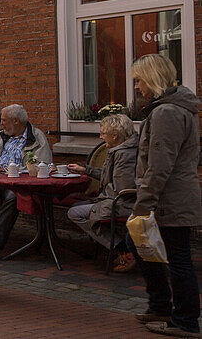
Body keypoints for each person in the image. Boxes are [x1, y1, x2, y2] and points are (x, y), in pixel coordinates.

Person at [127, 54, 201, 338]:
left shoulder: (167, 112)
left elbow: (159, 166)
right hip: (173, 198)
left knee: (178, 258)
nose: (136, 86)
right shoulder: (174, 109)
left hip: (170, 200)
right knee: (137, 245)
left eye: (139, 79)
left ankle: (185, 321)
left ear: (153, 79)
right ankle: (160, 306)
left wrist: (143, 206)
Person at [65, 113, 138, 272]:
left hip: (122, 203)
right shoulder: (120, 149)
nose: (100, 136)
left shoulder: (124, 154)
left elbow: (123, 188)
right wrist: (85, 170)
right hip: (113, 200)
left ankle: (122, 248)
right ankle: (119, 247)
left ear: (115, 135)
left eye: (103, 133)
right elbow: (110, 177)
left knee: (74, 212)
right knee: (79, 205)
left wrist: (101, 198)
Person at [0, 104, 52, 250]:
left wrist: (17, 174)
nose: (1, 124)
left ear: (16, 121)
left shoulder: (37, 138)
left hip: (19, 184)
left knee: (13, 196)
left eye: (4, 120)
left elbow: (43, 165)